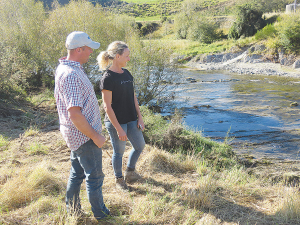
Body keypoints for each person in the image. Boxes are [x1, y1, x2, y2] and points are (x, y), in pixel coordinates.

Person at [54, 31, 110, 220]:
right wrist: (95, 136)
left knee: (77, 174)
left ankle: (73, 211)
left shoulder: (68, 68)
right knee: (94, 177)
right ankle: (101, 215)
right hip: (84, 136)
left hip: (77, 135)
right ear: (79, 49)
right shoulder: (70, 74)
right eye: (88, 49)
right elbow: (75, 114)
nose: (91, 53)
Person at [97, 41, 145, 192]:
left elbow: (133, 97)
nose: (128, 59)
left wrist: (140, 117)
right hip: (116, 122)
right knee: (119, 152)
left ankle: (130, 172)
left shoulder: (127, 74)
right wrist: (119, 129)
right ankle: (119, 180)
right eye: (126, 56)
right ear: (117, 56)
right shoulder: (107, 78)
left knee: (140, 145)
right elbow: (107, 106)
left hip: (131, 119)